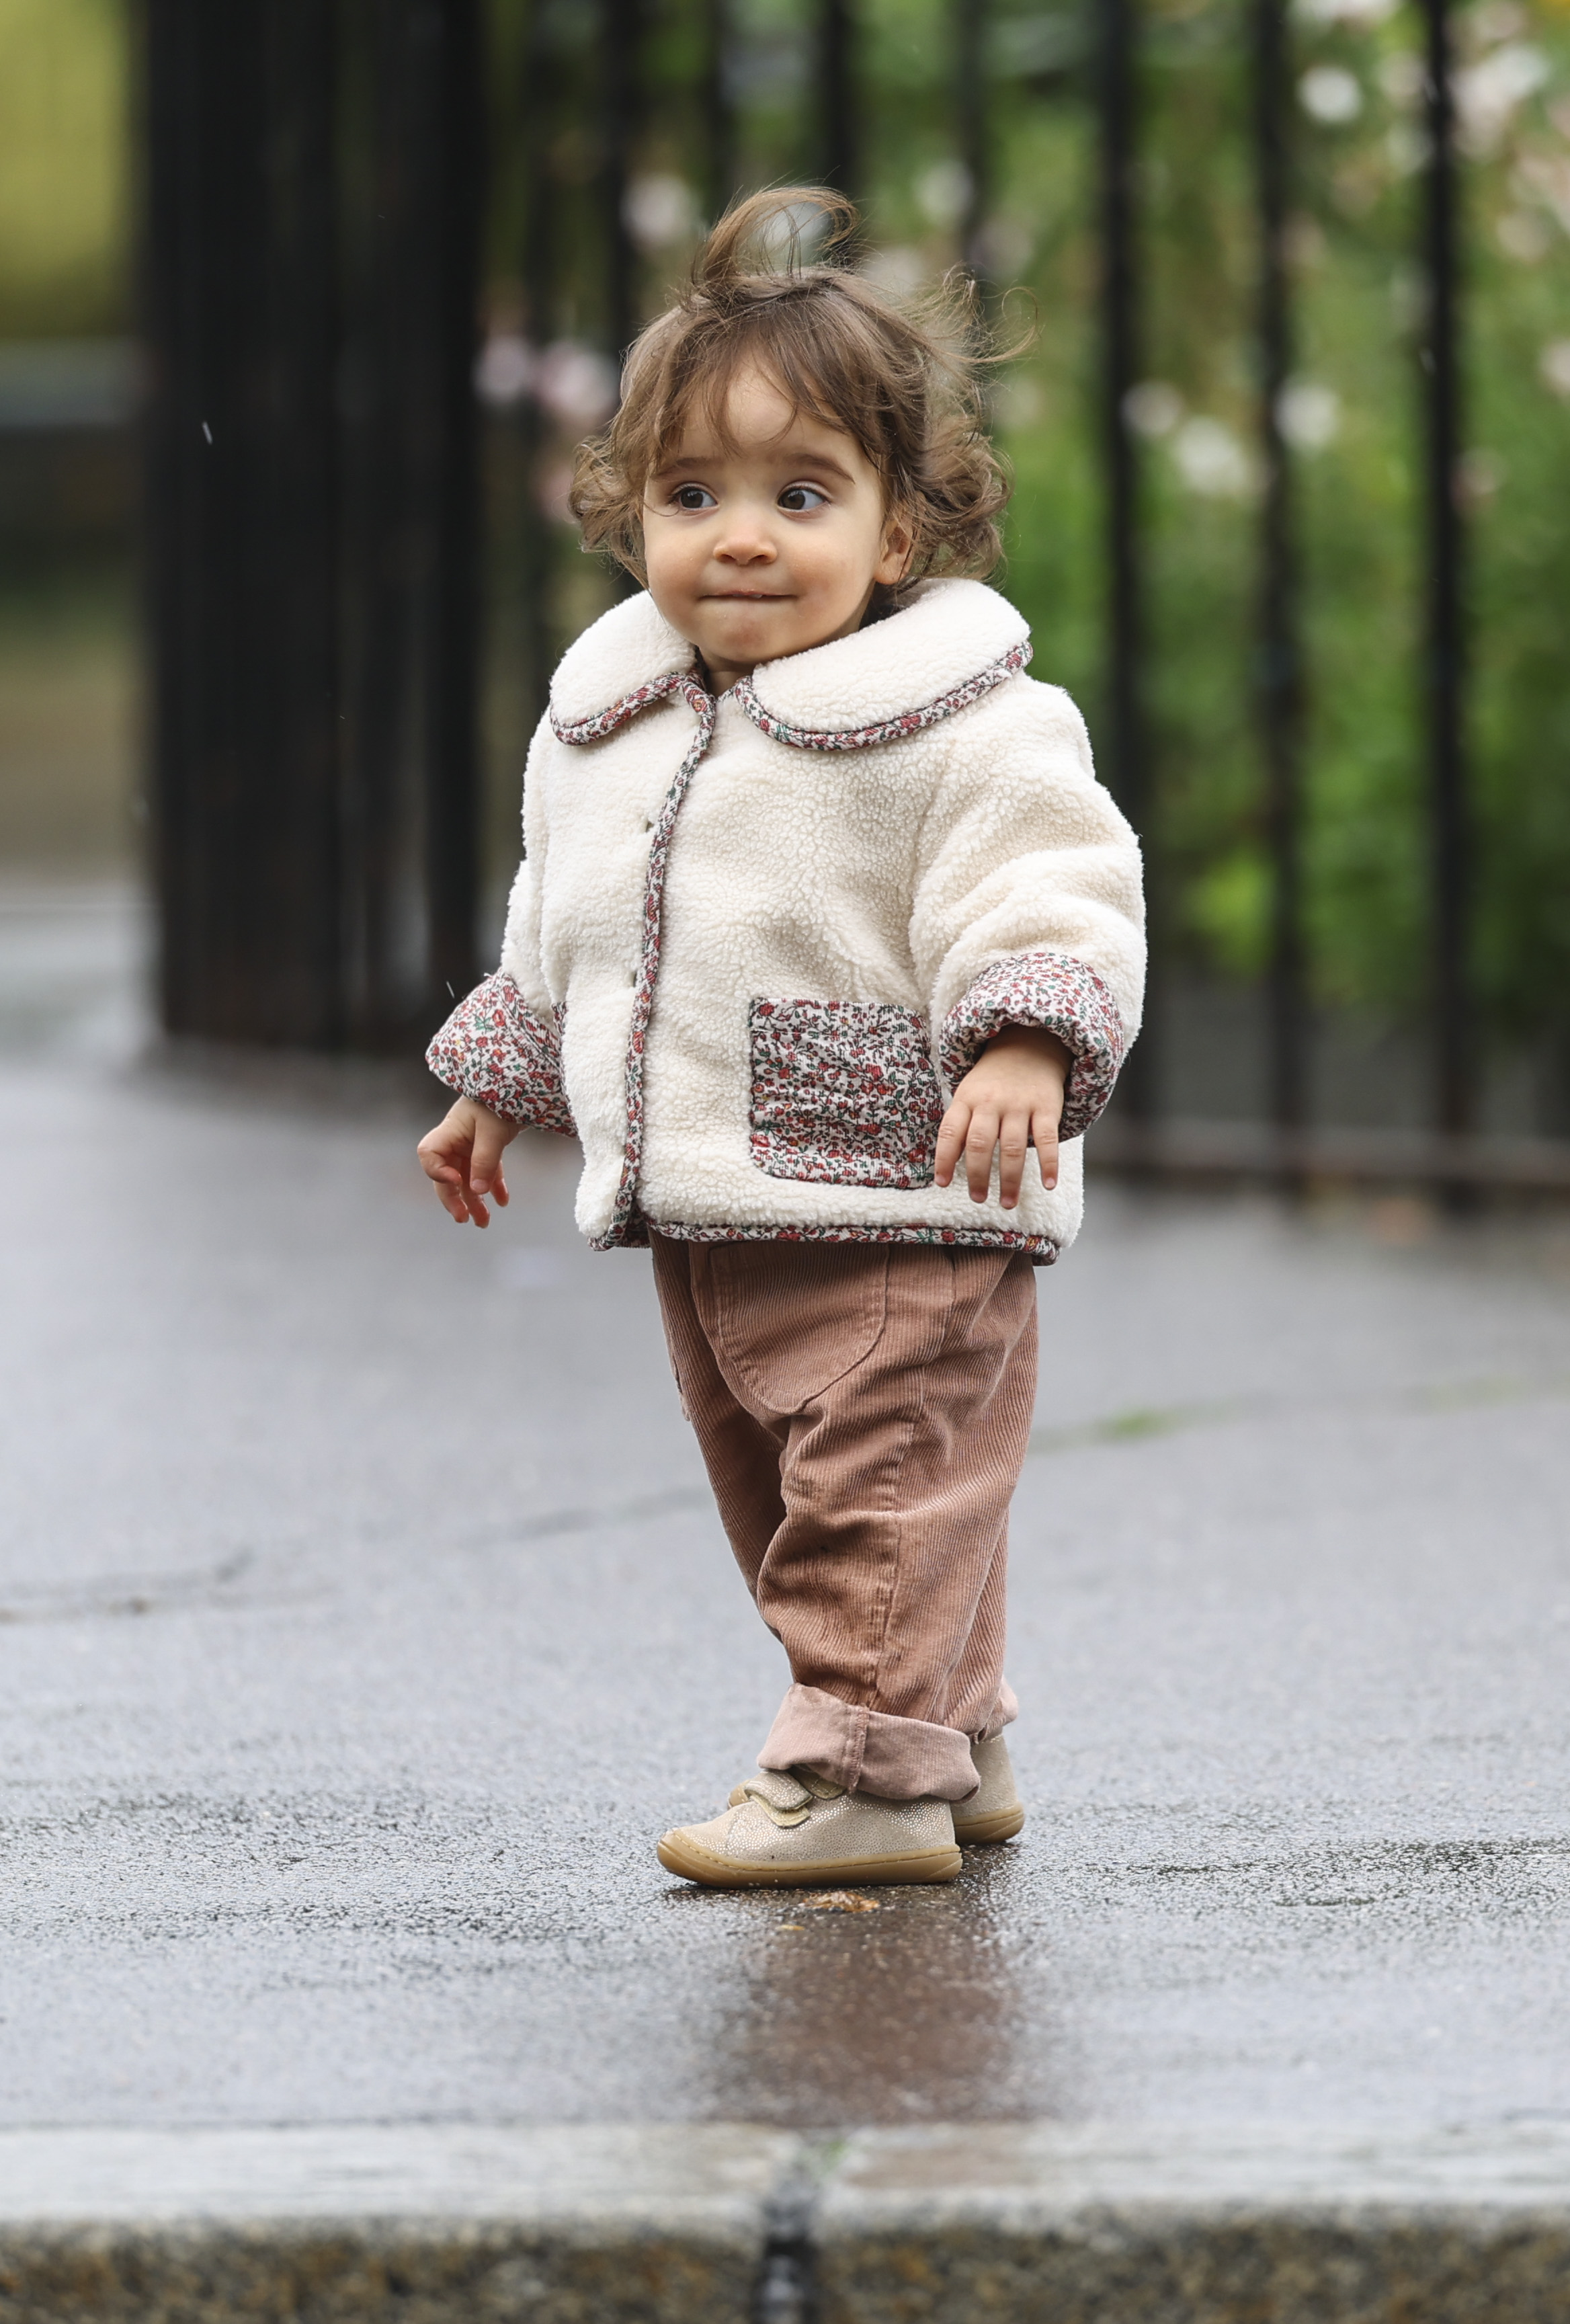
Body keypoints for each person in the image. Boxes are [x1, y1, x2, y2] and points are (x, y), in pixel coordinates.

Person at [417, 188, 1144, 1890]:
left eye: (798, 495)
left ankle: (863, 1774)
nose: (738, 537)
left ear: (899, 531)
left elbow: (1053, 886)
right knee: (787, 1491)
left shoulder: (968, 724)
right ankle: (948, 1733)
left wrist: (1025, 1043)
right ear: (631, 514)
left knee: (874, 1492)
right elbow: (562, 916)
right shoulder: (608, 721)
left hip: (907, 1192)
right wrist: (497, 1079)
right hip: (712, 1201)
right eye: (693, 496)